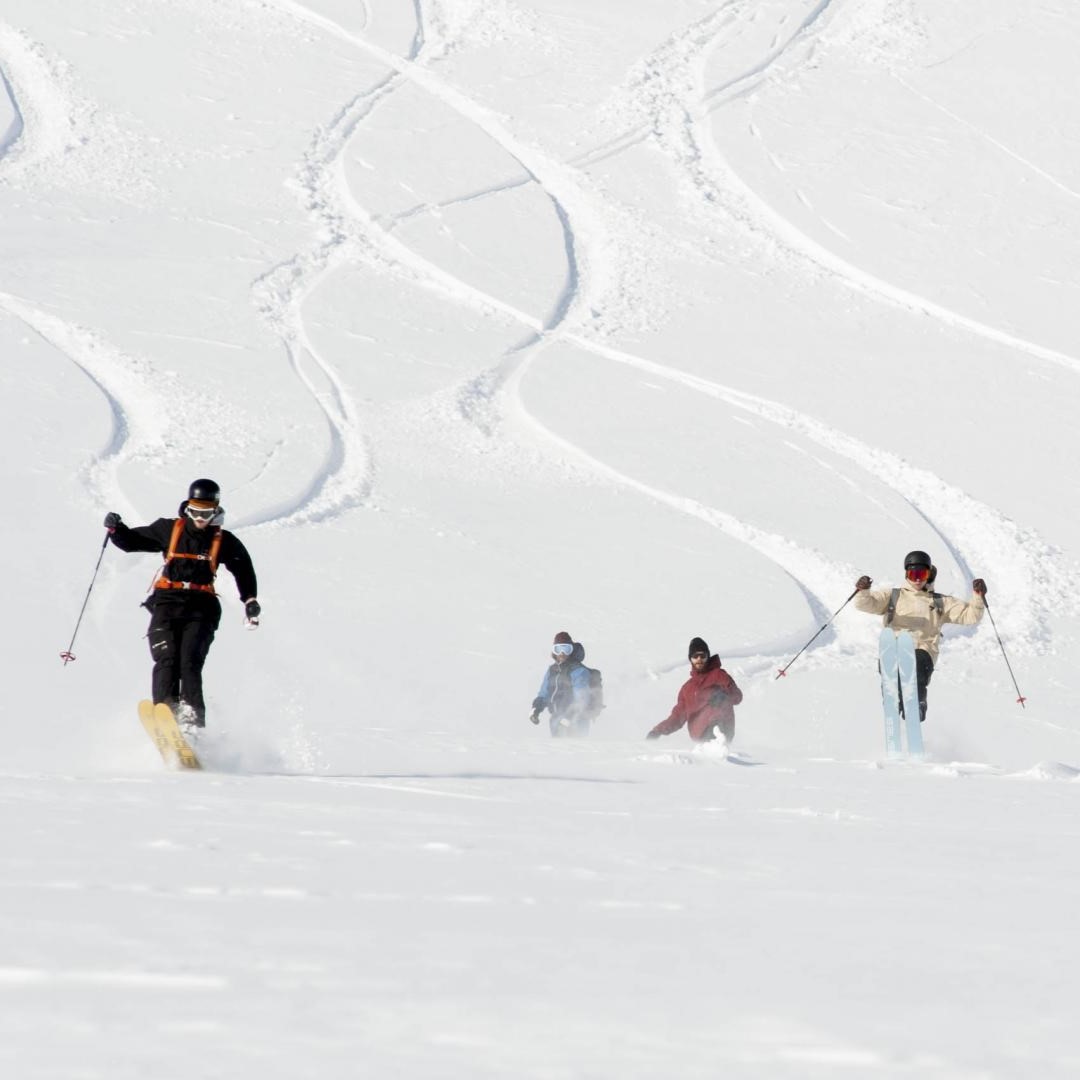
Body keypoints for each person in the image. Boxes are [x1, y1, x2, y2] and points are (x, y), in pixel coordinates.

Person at [104, 479, 260, 732]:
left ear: (216, 511)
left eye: (206, 513)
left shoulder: (224, 540)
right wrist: (116, 529)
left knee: (189, 662)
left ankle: (191, 723)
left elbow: (244, 569)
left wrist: (250, 600)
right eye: (196, 511)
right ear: (187, 508)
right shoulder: (168, 529)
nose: (200, 518)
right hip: (167, 603)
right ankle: (165, 713)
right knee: (167, 659)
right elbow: (132, 542)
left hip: (201, 607)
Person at [854, 550, 985, 723]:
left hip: (923, 649)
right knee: (892, 663)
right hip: (894, 646)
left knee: (914, 664)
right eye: (913, 573)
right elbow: (866, 604)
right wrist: (863, 591)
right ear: (906, 574)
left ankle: (916, 703)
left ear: (929, 574)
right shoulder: (893, 596)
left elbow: (970, 616)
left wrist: (978, 597)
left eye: (922, 574)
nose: (917, 579)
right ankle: (892, 700)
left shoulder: (940, 601)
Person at [646, 637, 743, 744]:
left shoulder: (719, 675)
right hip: (701, 736)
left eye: (703, 656)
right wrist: (658, 731)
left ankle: (717, 739)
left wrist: (725, 696)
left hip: (721, 728)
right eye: (695, 656)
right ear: (690, 659)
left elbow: (737, 697)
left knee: (716, 711)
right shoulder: (687, 689)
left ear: (708, 657)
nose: (699, 659)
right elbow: (677, 717)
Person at [529, 631, 602, 737]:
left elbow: (581, 699)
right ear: (554, 651)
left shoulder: (579, 671)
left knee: (573, 749)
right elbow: (544, 694)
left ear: (571, 650)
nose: (562, 653)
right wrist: (536, 709)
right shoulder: (552, 670)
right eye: (558, 649)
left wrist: (569, 718)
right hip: (556, 719)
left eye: (566, 649)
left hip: (576, 722)